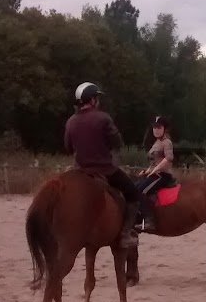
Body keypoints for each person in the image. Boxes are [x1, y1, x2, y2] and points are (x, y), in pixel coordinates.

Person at [64, 82, 140, 248]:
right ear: (92, 100)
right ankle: (125, 234)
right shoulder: (103, 118)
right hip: (105, 170)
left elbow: (68, 148)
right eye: (97, 98)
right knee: (133, 193)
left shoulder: (70, 121)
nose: (98, 101)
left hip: (80, 171)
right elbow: (117, 142)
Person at [135, 116, 176, 231]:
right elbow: (154, 162)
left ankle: (149, 221)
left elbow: (169, 158)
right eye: (154, 127)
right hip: (154, 174)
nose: (156, 130)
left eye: (159, 127)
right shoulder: (157, 142)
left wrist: (155, 169)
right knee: (134, 187)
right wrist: (147, 170)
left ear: (164, 129)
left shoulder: (167, 142)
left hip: (163, 175)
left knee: (142, 191)